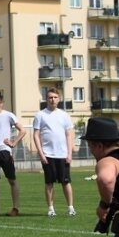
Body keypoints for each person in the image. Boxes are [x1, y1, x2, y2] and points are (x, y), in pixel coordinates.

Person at [32, 88, 76, 216]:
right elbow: (36, 135)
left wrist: (69, 153)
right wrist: (41, 153)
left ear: (59, 99)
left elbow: (69, 135)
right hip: (48, 154)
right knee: (49, 182)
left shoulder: (64, 115)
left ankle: (70, 207)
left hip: (62, 155)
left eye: (55, 97)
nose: (53, 99)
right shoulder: (40, 115)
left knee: (66, 181)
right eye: (50, 97)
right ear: (47, 99)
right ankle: (51, 209)